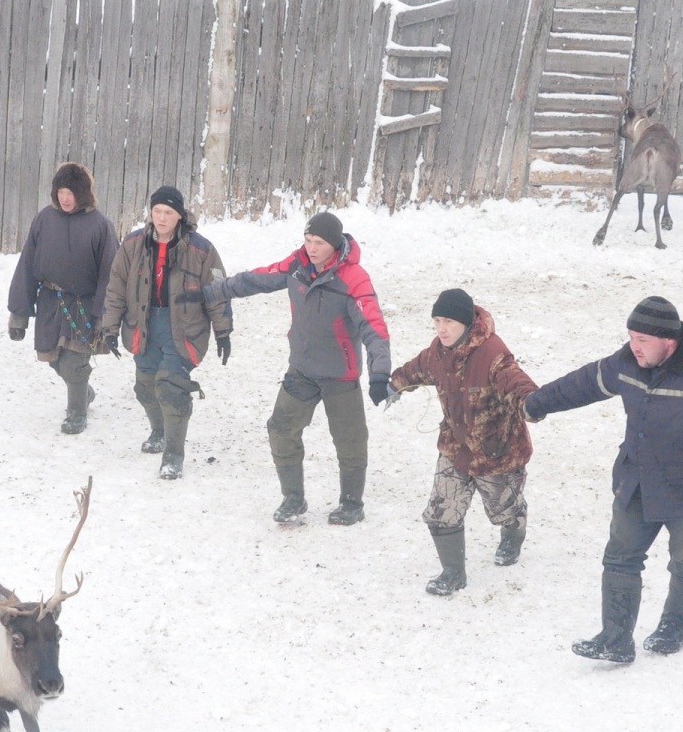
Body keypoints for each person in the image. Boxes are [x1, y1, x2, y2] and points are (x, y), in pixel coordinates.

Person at [523, 295, 683, 663]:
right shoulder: (629, 362)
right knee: (619, 558)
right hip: (639, 479)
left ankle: (675, 626)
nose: (634, 346)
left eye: (642, 340)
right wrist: (537, 404)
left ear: (669, 342)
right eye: (631, 337)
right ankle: (615, 638)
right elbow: (585, 382)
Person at [204, 211, 391, 525]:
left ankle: (351, 503)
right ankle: (293, 497)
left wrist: (380, 374)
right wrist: (211, 292)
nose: (312, 248)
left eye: (318, 242)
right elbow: (257, 279)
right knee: (280, 429)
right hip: (302, 369)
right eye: (307, 240)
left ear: (335, 245)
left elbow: (374, 327)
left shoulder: (354, 279)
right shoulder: (297, 266)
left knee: (350, 440)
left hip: (339, 374)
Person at [387, 289, 537, 595]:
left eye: (449, 322)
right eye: (437, 321)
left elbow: (515, 381)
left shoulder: (492, 353)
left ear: (466, 323)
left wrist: (534, 402)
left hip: (497, 452)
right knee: (441, 511)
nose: (441, 328)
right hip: (455, 447)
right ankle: (453, 573)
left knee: (503, 509)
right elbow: (418, 368)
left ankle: (513, 531)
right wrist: (395, 384)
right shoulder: (438, 351)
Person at [97, 185, 231, 481]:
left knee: (171, 388)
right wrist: (110, 327)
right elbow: (116, 286)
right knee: (145, 387)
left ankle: (173, 454)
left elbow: (218, 290)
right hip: (143, 324)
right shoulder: (133, 245)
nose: (161, 217)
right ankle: (158, 430)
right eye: (157, 211)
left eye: (168, 212)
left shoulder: (201, 249)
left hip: (183, 328)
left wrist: (223, 331)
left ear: (180, 216)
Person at [8, 163, 119, 435]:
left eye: (71, 192)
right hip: (50, 300)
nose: (65, 198)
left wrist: (105, 316)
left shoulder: (100, 225)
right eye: (61, 191)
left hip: (84, 303)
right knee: (53, 357)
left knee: (75, 362)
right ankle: (83, 393)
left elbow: (111, 273)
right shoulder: (44, 219)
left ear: (82, 193)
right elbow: (27, 264)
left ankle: (76, 413)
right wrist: (19, 314)